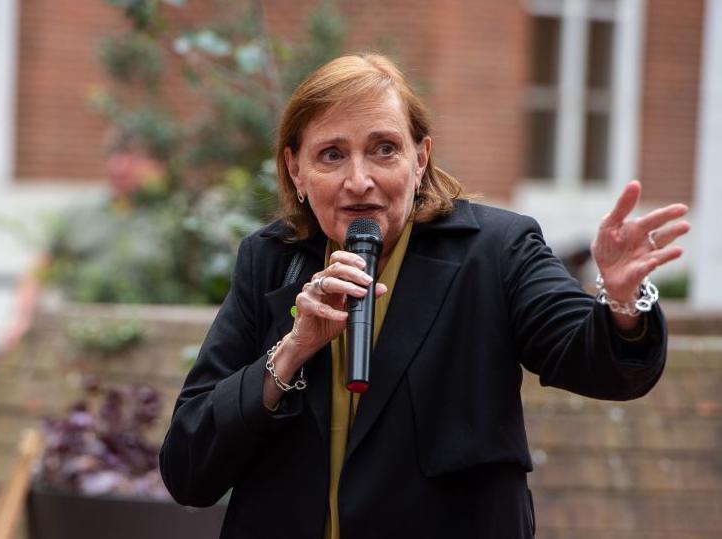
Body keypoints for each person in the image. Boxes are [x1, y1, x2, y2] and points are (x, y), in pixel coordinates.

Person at [159, 53, 689, 538]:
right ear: (296, 169)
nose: (359, 180)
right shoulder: (271, 260)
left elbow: (601, 363)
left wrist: (621, 301)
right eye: (331, 155)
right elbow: (188, 469)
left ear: (420, 158)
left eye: (384, 149)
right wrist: (292, 349)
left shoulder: (495, 250)